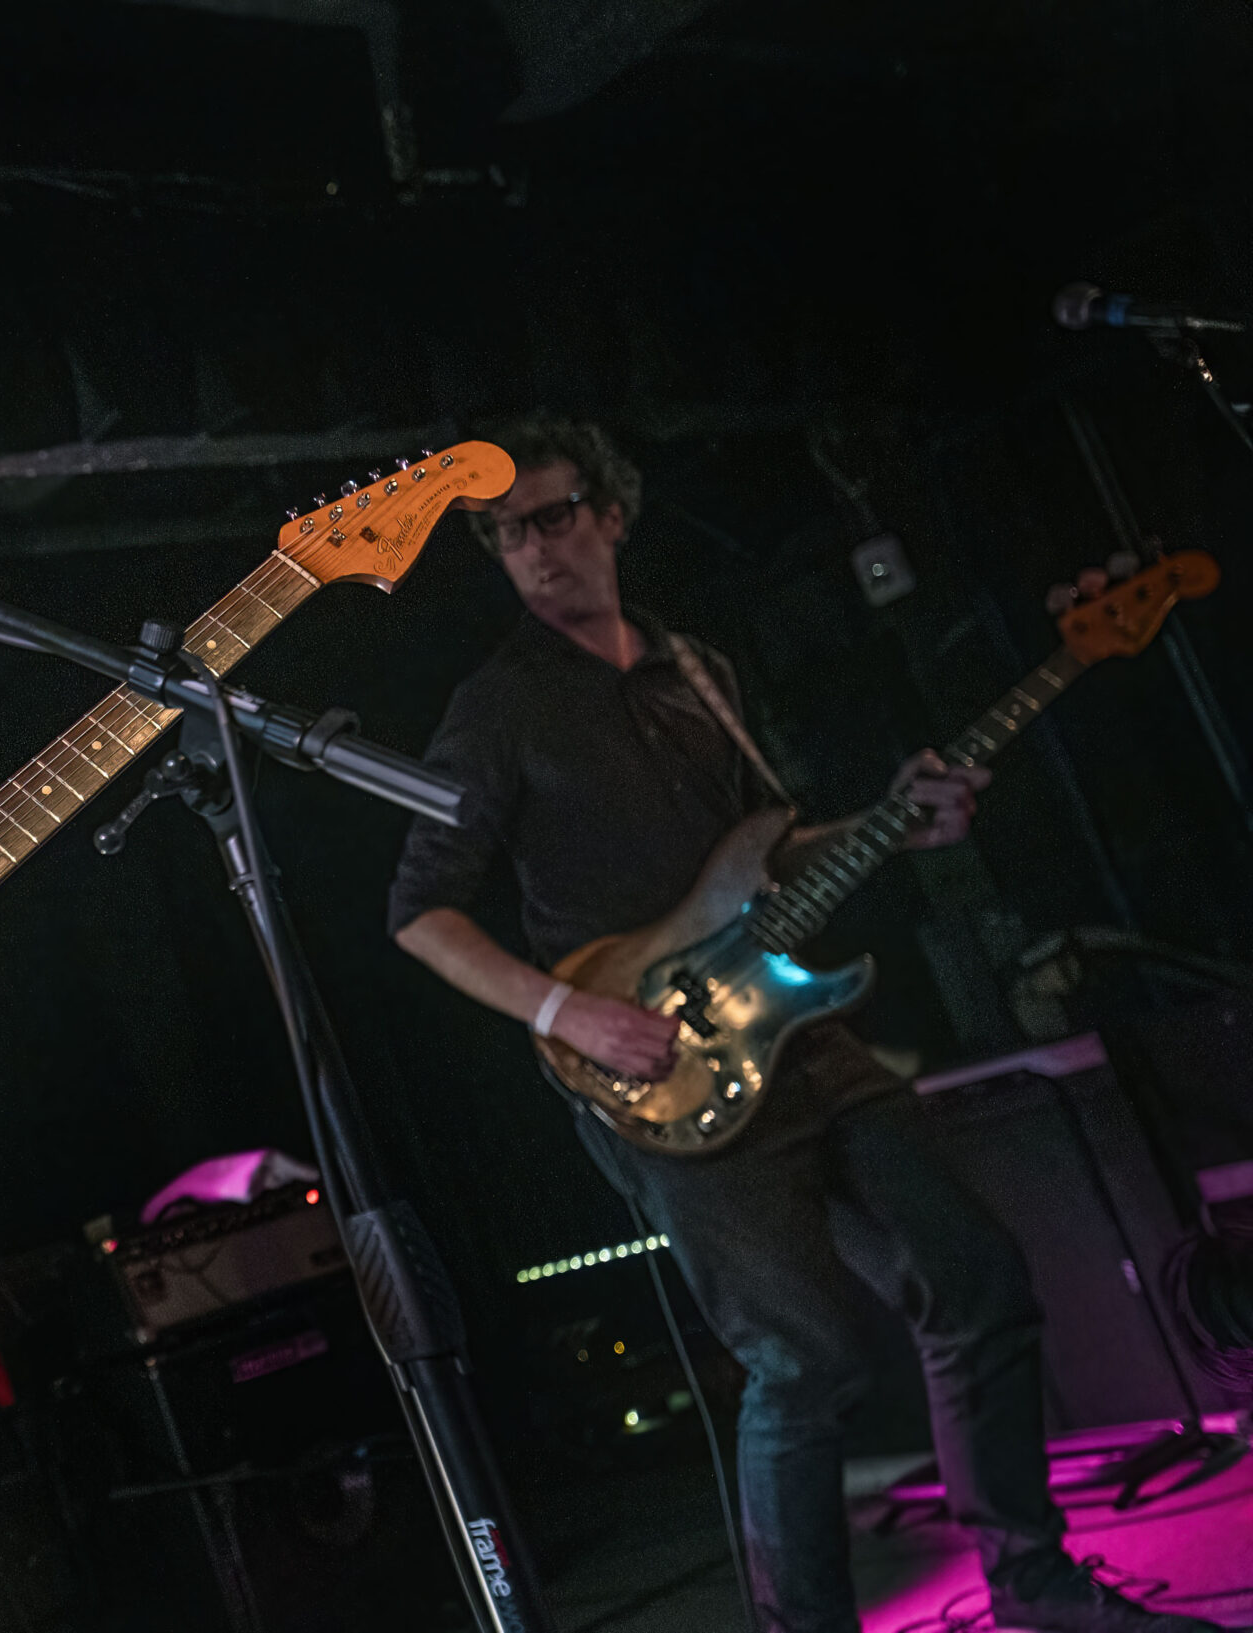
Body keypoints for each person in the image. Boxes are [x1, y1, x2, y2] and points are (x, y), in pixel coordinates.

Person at [385, 414, 1218, 1633]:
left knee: (975, 1271)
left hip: (793, 1032)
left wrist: (902, 823)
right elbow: (418, 913)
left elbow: (770, 858)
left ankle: (1032, 1582)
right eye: (505, 535)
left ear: (612, 513)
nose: (532, 551)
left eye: (552, 517)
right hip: (657, 1070)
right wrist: (573, 1012)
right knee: (803, 1359)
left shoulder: (699, 669)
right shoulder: (497, 708)